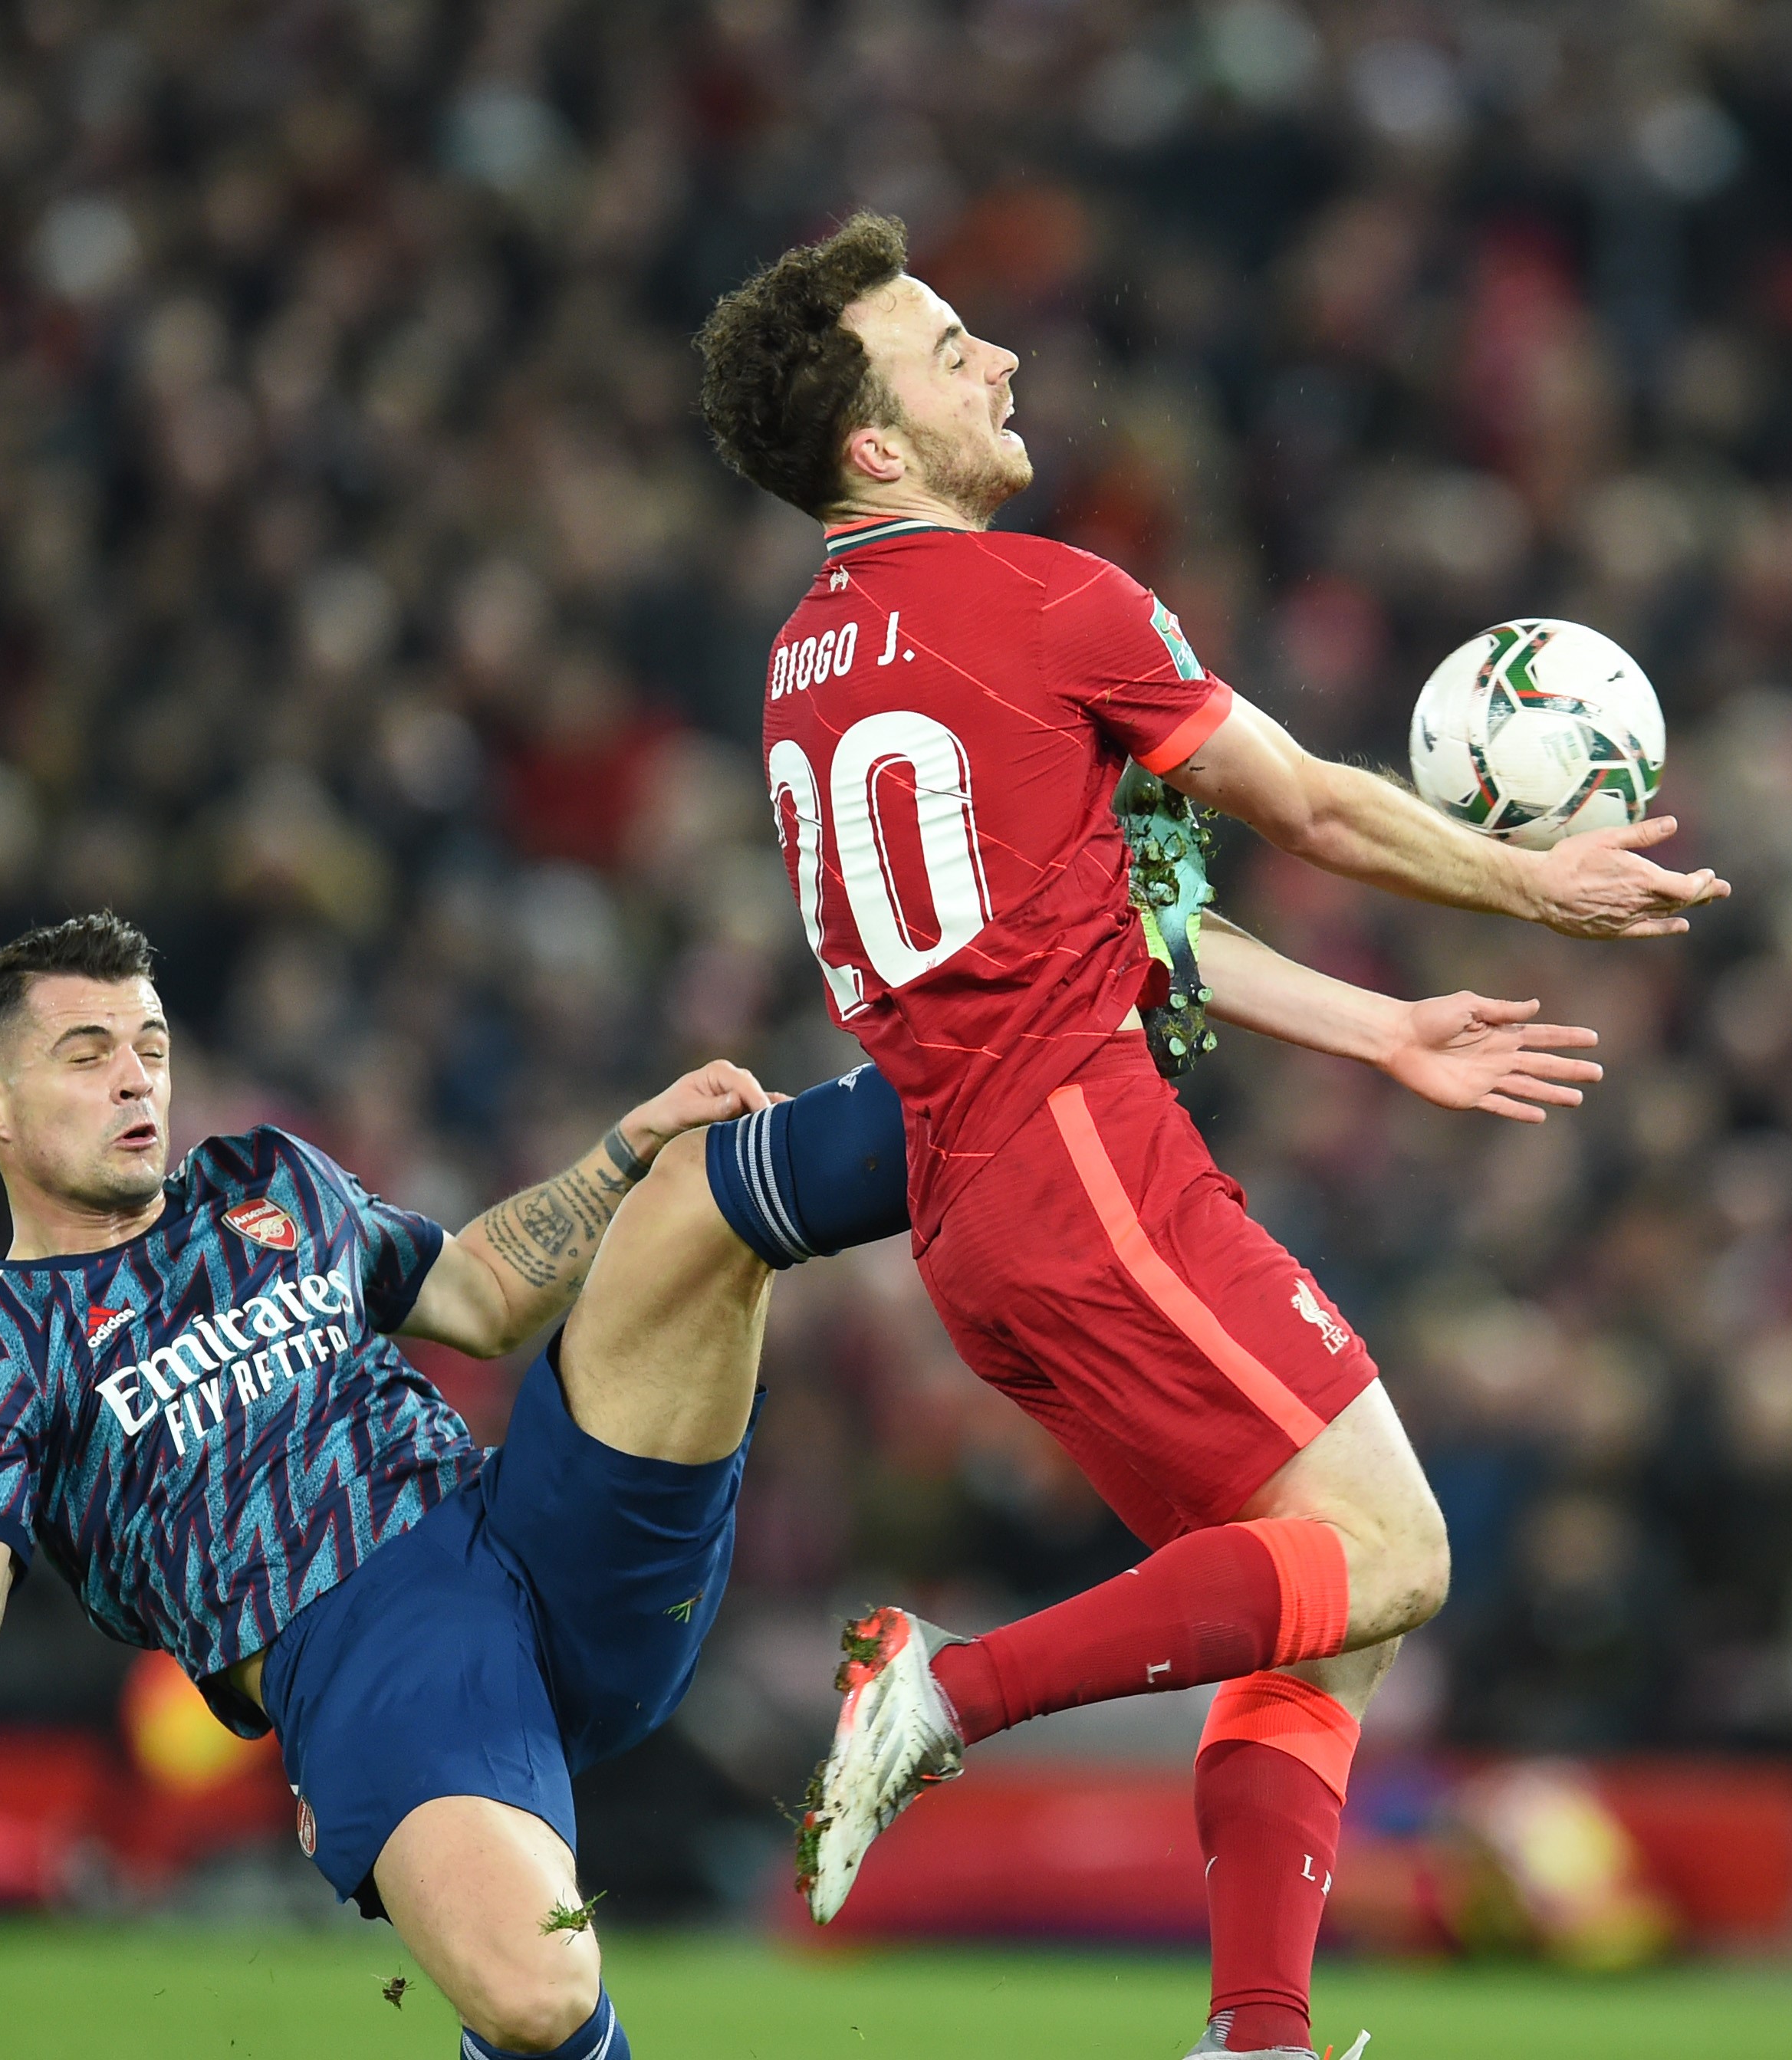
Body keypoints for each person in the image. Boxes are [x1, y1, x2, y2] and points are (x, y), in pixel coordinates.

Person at [694, 212, 1728, 2060]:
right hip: (1085, 1167)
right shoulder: (1044, 597)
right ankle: (944, 1689)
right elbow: (1316, 809)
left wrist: (1381, 1026)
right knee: (1396, 1554)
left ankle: (1252, 2039)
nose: (996, 362)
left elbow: (1120, 923)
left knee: (1319, 1614)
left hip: (974, 1216)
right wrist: (1528, 889)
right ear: (871, 445)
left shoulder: (803, 656)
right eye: (945, 352)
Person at [0, 910, 902, 2060]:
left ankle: (1034, 1082)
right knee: (535, 1994)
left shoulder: (268, 1177)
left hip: (522, 1525)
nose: (132, 1082)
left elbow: (480, 1295)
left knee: (707, 1184)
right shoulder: (0, 1342)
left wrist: (626, 1148)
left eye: (149, 1049)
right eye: (86, 1054)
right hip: (365, 1643)